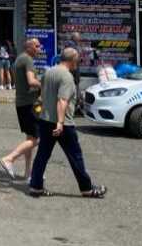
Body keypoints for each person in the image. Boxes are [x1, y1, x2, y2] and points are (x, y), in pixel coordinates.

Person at [27, 48, 107, 199]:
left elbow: (42, 93)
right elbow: (62, 100)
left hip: (45, 120)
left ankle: (35, 187)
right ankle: (87, 189)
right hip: (63, 124)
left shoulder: (49, 72)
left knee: (42, 155)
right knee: (75, 156)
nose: (79, 63)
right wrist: (60, 123)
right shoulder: (67, 77)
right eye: (78, 60)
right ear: (72, 60)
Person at [0, 37, 42, 180]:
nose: (39, 48)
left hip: (22, 103)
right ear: (29, 47)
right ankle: (9, 159)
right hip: (29, 104)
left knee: (30, 138)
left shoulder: (20, 59)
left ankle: (28, 173)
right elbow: (31, 81)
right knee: (36, 139)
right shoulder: (27, 60)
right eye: (37, 46)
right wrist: (44, 84)